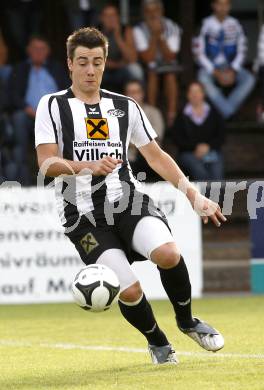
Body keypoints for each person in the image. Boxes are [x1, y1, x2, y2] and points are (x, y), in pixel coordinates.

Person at [35, 27, 226, 365]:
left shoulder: (124, 106)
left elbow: (155, 155)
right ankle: (158, 342)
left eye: (97, 62)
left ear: (105, 63)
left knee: (168, 253)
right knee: (130, 290)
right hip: (82, 216)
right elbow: (46, 162)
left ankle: (188, 322)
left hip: (127, 202)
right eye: (83, 62)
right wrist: (86, 167)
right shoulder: (51, 105)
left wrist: (193, 195)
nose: (90, 70)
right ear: (70, 65)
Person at [8, 35, 69, 185]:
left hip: (53, 117)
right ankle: (24, 181)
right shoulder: (21, 68)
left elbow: (68, 92)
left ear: (48, 51)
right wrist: (29, 110)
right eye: (35, 49)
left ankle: (64, 181)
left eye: (42, 49)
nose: (38, 52)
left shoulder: (57, 68)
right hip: (29, 115)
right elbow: (13, 95)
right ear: (28, 50)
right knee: (18, 117)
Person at [196, 0, 255, 119]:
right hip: (211, 67)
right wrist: (215, 71)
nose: (223, 8)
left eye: (226, 4)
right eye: (219, 4)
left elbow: (242, 49)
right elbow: (198, 52)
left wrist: (233, 69)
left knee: (249, 79)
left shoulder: (236, 24)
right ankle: (229, 112)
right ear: (213, 5)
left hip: (230, 65)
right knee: (202, 77)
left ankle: (224, 110)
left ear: (229, 6)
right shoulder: (205, 24)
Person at [133, 0, 181, 126]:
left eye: (156, 11)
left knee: (170, 75)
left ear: (161, 11)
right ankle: (152, 114)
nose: (153, 15)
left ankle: (172, 114)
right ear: (144, 13)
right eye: (149, 12)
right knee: (152, 73)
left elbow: (170, 56)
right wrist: (154, 36)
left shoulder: (172, 26)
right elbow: (148, 58)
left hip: (168, 65)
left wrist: (160, 36)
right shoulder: (138, 29)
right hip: (148, 66)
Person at [169, 82, 225, 181]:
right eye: (192, 92)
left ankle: (216, 196)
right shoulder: (181, 115)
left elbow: (221, 136)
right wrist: (195, 147)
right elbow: (177, 138)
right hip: (188, 153)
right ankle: (204, 196)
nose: (195, 94)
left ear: (203, 94)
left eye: (197, 91)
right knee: (199, 171)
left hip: (211, 151)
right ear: (187, 95)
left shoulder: (214, 112)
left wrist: (208, 147)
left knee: (217, 175)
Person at [124, 79, 165, 179]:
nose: (133, 95)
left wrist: (133, 142)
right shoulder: (118, 114)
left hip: (150, 154)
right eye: (130, 92)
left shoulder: (154, 112)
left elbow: (157, 135)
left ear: (142, 94)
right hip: (127, 157)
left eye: (136, 92)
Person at [100, 4, 143, 92]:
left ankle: (137, 103)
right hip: (103, 70)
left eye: (113, 15)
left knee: (135, 70)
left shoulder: (126, 30)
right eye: (107, 16)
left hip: (123, 69)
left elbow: (132, 58)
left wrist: (118, 37)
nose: (110, 19)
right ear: (101, 18)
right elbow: (94, 59)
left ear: (118, 17)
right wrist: (117, 65)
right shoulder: (96, 32)